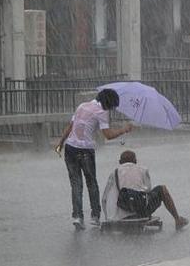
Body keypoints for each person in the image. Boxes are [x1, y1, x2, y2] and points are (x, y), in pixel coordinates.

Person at [55, 89, 132, 230]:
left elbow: (70, 127)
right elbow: (108, 135)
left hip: (70, 149)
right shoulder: (102, 112)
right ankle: (95, 216)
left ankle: (78, 216)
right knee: (92, 183)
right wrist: (124, 129)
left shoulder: (82, 106)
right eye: (112, 106)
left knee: (76, 184)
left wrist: (60, 144)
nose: (112, 109)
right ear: (108, 102)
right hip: (85, 151)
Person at [102, 150, 189, 230]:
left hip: (120, 213)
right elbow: (148, 190)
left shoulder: (114, 173)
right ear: (135, 161)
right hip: (140, 210)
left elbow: (104, 198)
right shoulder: (143, 170)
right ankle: (177, 219)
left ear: (120, 162)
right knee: (162, 189)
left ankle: (126, 213)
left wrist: (109, 217)